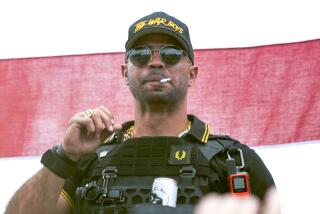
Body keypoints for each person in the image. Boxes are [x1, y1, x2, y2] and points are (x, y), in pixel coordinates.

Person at [5, 11, 276, 214]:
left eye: (171, 54)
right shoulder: (87, 161)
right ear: (126, 72)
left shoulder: (234, 162)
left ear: (192, 74)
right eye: (140, 55)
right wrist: (65, 156)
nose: (155, 62)